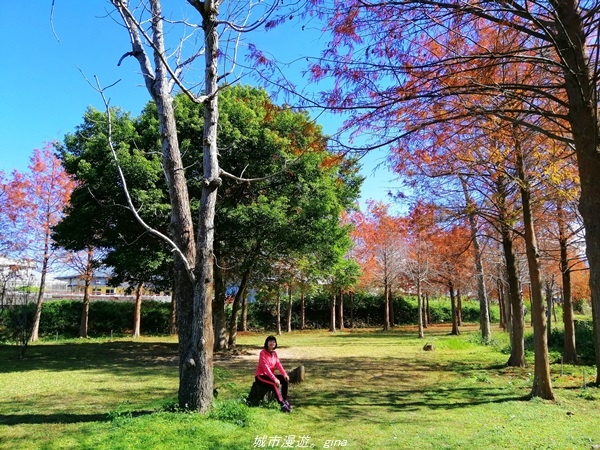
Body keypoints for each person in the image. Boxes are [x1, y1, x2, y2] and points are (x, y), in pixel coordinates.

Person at [254, 335, 291, 412]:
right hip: (261, 376)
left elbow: (278, 364)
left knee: (285, 380)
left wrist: (284, 374)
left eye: (274, 341)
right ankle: (282, 404)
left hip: (269, 376)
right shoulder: (262, 353)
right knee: (274, 383)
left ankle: (285, 400)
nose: (272, 343)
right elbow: (266, 368)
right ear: (267, 343)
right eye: (270, 341)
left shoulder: (274, 353)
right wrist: (274, 378)